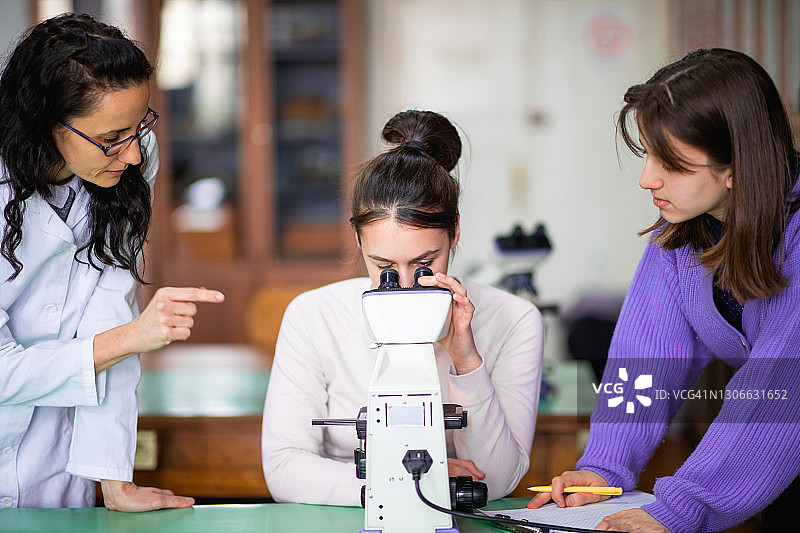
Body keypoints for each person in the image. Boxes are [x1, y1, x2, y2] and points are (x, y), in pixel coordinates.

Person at [526, 48, 800, 533]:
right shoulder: (681, 234)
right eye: (649, 154)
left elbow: (778, 390)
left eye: (671, 162)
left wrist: (682, 508)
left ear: (736, 164)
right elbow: (644, 363)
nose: (647, 178)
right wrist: (603, 469)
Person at [261, 109, 543, 505]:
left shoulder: (515, 320)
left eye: (425, 264)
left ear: (455, 232)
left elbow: (497, 479)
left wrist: (466, 361)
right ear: (358, 241)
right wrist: (403, 480)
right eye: (385, 267)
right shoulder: (314, 316)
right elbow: (284, 469)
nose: (406, 285)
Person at [0, 13, 224, 510]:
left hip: (55, 461)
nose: (132, 154)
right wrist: (135, 336)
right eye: (110, 138)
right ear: (43, 121)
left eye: (139, 125)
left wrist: (112, 478)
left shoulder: (124, 158)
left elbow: (108, 312)